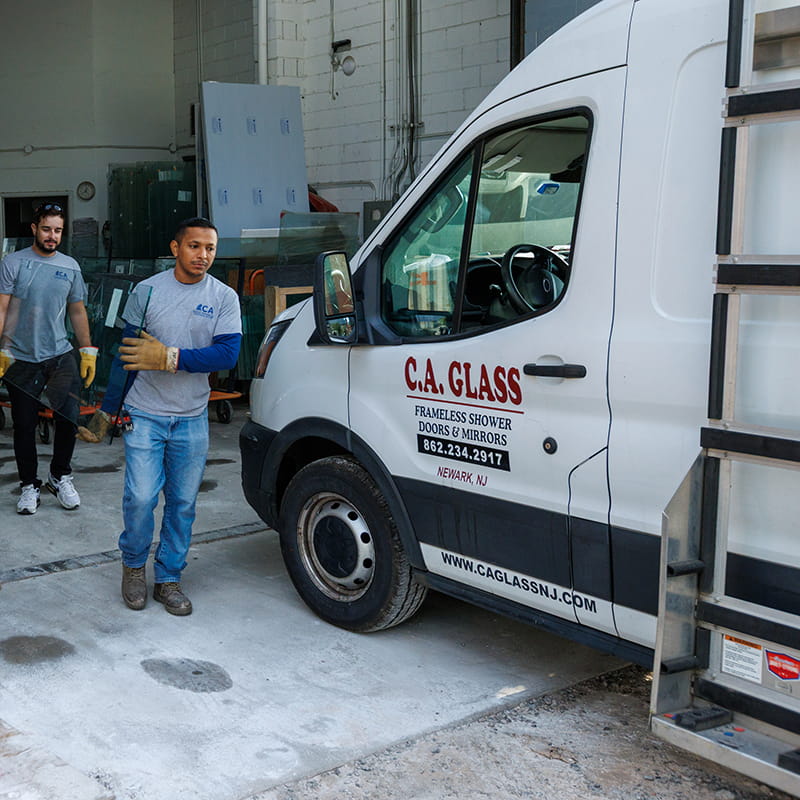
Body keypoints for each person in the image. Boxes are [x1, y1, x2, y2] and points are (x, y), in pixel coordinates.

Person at [78, 217, 242, 616]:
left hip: (190, 417)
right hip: (144, 414)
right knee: (140, 497)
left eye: (210, 249)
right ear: (175, 248)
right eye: (195, 246)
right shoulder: (147, 292)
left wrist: (170, 358)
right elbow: (127, 355)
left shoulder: (224, 297)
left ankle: (168, 577)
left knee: (183, 503)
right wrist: (106, 410)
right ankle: (134, 566)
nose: (203, 255)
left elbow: (227, 354)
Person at [0, 202, 97, 514]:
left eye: (57, 230)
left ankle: (60, 475)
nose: (52, 235)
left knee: (68, 418)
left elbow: (77, 310)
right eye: (46, 229)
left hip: (59, 354)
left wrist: (87, 350)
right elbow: (2, 308)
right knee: (25, 424)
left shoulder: (70, 266)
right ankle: (29, 485)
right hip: (21, 356)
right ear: (34, 229)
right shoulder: (12, 263)